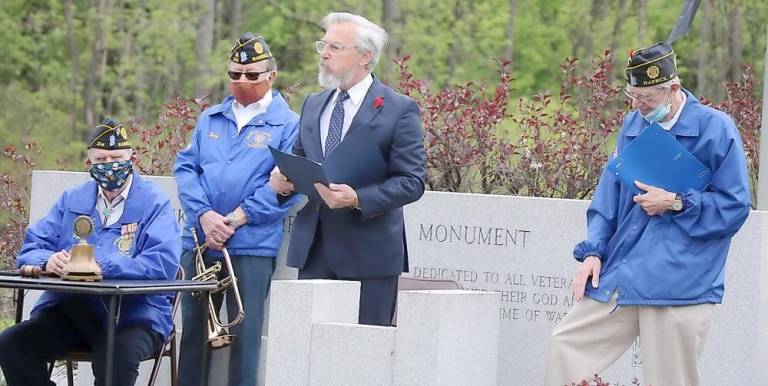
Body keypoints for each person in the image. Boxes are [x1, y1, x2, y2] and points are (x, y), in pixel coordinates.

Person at [544, 42, 751, 386]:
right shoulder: (633, 125)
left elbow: (735, 206)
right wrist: (594, 251)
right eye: (633, 98)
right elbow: (609, 195)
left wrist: (676, 202)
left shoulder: (717, 129)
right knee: (565, 346)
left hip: (681, 283)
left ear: (672, 89)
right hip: (624, 273)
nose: (639, 107)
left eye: (647, 100)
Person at [268, 12, 426, 326]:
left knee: (364, 361)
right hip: (314, 252)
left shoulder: (398, 109)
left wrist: (357, 198)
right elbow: (303, 162)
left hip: (370, 256)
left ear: (365, 56)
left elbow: (412, 181)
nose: (324, 54)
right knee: (308, 360)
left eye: (335, 47)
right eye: (322, 45)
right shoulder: (314, 104)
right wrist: (283, 183)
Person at [0, 119, 181, 386]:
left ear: (132, 158)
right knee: (12, 343)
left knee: (115, 357)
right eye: (101, 159)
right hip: (71, 309)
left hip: (134, 316)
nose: (109, 165)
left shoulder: (154, 203)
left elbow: (162, 263)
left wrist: (100, 266)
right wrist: (48, 261)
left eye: (116, 157)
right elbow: (31, 248)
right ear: (90, 163)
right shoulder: (71, 200)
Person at [174, 33, 299, 386]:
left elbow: (288, 188)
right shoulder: (209, 118)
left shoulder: (289, 125)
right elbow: (186, 169)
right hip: (200, 243)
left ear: (271, 76)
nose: (242, 81)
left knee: (245, 338)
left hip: (250, 245)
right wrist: (204, 215)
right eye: (235, 74)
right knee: (194, 334)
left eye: (252, 75)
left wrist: (235, 219)